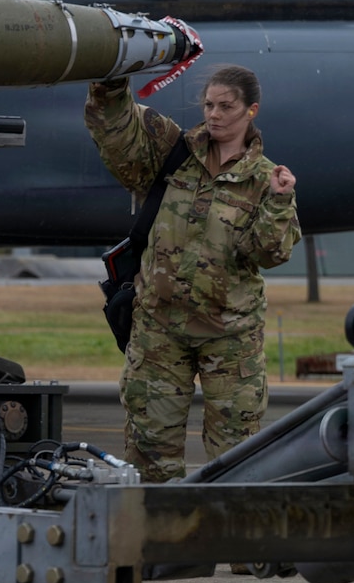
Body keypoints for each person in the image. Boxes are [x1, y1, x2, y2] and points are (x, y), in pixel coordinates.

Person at [85, 63, 300, 481]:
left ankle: (221, 540)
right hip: (160, 331)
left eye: (226, 106)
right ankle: (152, 538)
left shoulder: (265, 178)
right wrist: (110, 77)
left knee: (236, 456)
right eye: (208, 104)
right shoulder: (173, 152)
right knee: (150, 453)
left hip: (230, 338)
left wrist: (278, 201)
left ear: (251, 110)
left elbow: (269, 253)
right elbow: (121, 133)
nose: (214, 114)